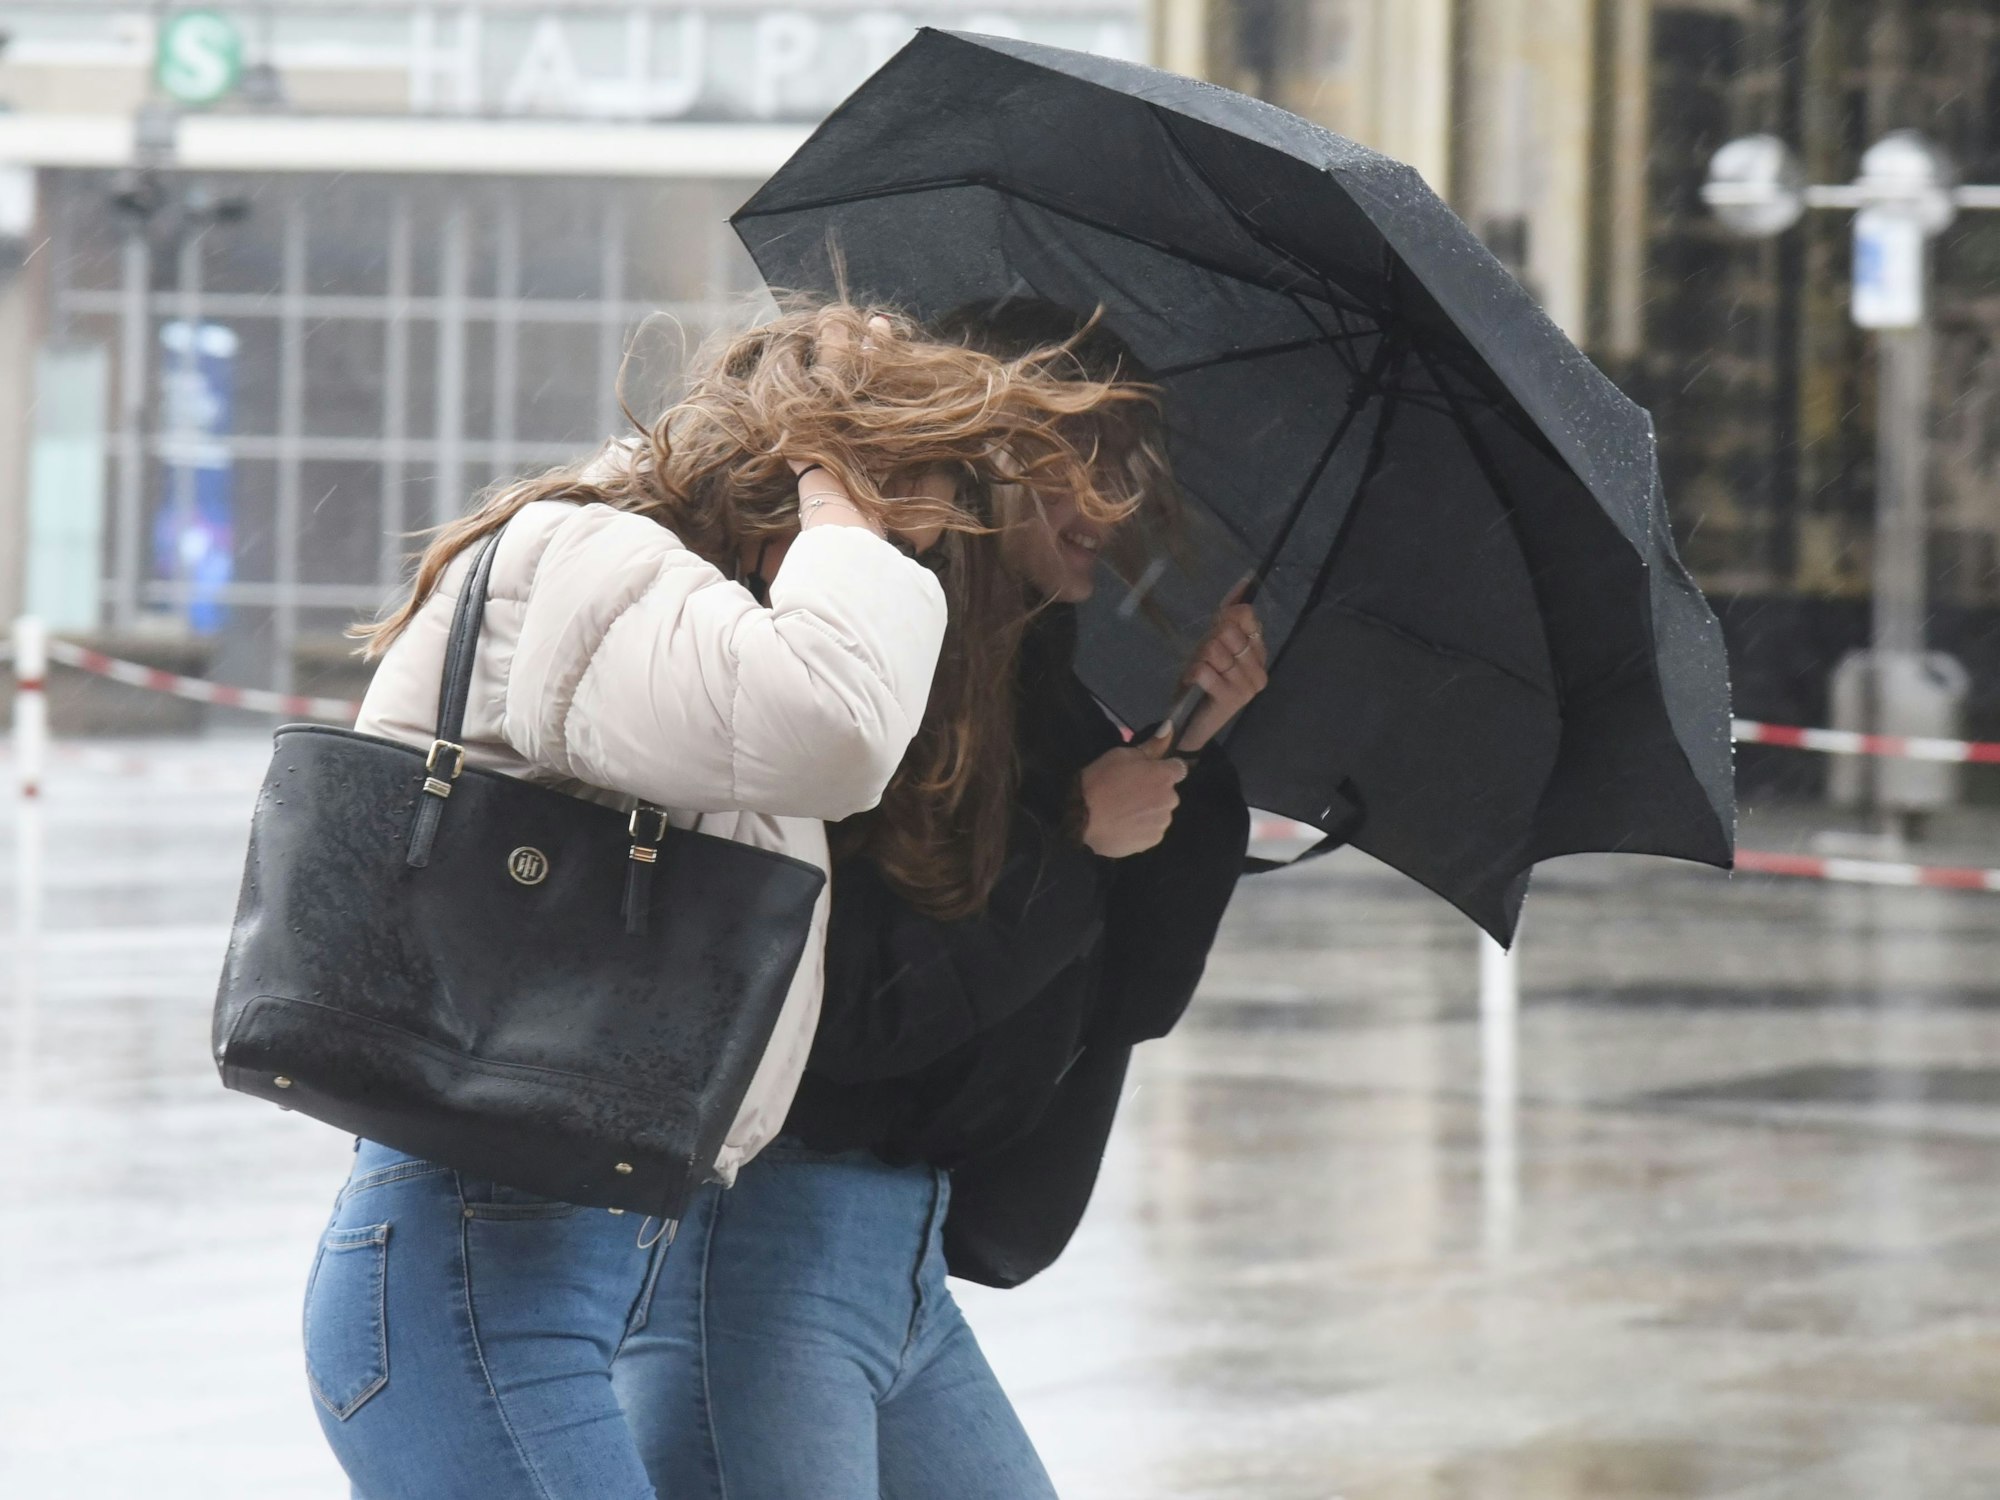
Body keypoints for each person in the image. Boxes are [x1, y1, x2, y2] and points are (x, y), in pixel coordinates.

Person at [301, 302, 1149, 1499]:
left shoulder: (682, 616)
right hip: (466, 1292)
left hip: (547, 1282)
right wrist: (836, 481)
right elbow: (836, 726)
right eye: (893, 518)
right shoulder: (593, 564)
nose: (900, 559)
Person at [614, 306, 1268, 1498]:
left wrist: (1191, 746)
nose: (1109, 509)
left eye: (1133, 475)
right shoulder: (860, 668)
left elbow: (1126, 995)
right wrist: (1071, 840)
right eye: (1080, 464)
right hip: (762, 1250)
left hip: (896, 1260)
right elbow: (849, 1014)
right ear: (992, 451)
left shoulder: (1042, 690)